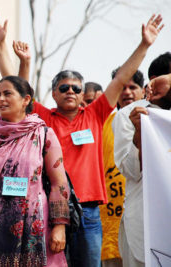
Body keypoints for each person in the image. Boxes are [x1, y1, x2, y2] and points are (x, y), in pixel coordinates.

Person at [27, 15, 163, 267]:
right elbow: (20, 92)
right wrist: (18, 57)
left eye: (76, 89)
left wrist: (144, 45)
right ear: (53, 92)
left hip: (89, 212)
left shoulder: (94, 115)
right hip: (53, 210)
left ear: (82, 95)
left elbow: (121, 79)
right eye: (64, 87)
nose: (71, 92)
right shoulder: (43, 117)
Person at [0, 76, 69, 267]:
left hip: (33, 225)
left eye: (7, 93)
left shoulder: (44, 134)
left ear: (26, 100)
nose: (1, 99)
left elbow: (58, 183)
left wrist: (60, 226)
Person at [113, 52, 171, 267]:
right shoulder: (130, 116)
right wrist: (139, 134)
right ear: (154, 81)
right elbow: (131, 171)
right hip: (145, 224)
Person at [100, 69, 144, 267]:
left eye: (133, 87)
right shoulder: (103, 126)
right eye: (122, 88)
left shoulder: (158, 122)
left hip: (145, 215)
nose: (127, 92)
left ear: (144, 91)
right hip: (111, 220)